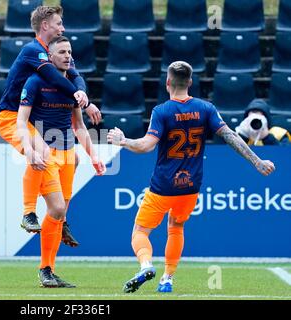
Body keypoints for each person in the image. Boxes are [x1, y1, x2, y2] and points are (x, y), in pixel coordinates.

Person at [107, 61, 275, 294]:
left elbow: (146, 146)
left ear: (167, 82)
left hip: (163, 185)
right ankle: (167, 279)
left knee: (140, 231)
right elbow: (230, 136)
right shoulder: (206, 108)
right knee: (176, 228)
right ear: (190, 82)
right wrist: (257, 161)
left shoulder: (162, 111)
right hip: (190, 187)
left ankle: (146, 265)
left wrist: (123, 141)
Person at [0, 6, 102, 244]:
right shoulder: (34, 50)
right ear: (45, 25)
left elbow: (76, 76)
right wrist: (83, 102)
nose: (62, 28)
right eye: (58, 23)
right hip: (11, 117)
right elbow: (54, 78)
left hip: (30, 117)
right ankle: (28, 212)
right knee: (41, 152)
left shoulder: (57, 51)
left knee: (71, 159)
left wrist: (83, 95)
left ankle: (61, 219)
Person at [17, 36, 106, 288]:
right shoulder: (35, 82)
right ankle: (29, 216)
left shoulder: (72, 88)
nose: (68, 56)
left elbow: (78, 126)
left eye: (69, 52)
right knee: (56, 209)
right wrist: (28, 148)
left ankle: (48, 270)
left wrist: (94, 156)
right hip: (46, 155)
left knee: (59, 215)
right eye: (62, 52)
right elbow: (21, 122)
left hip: (68, 154)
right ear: (50, 57)